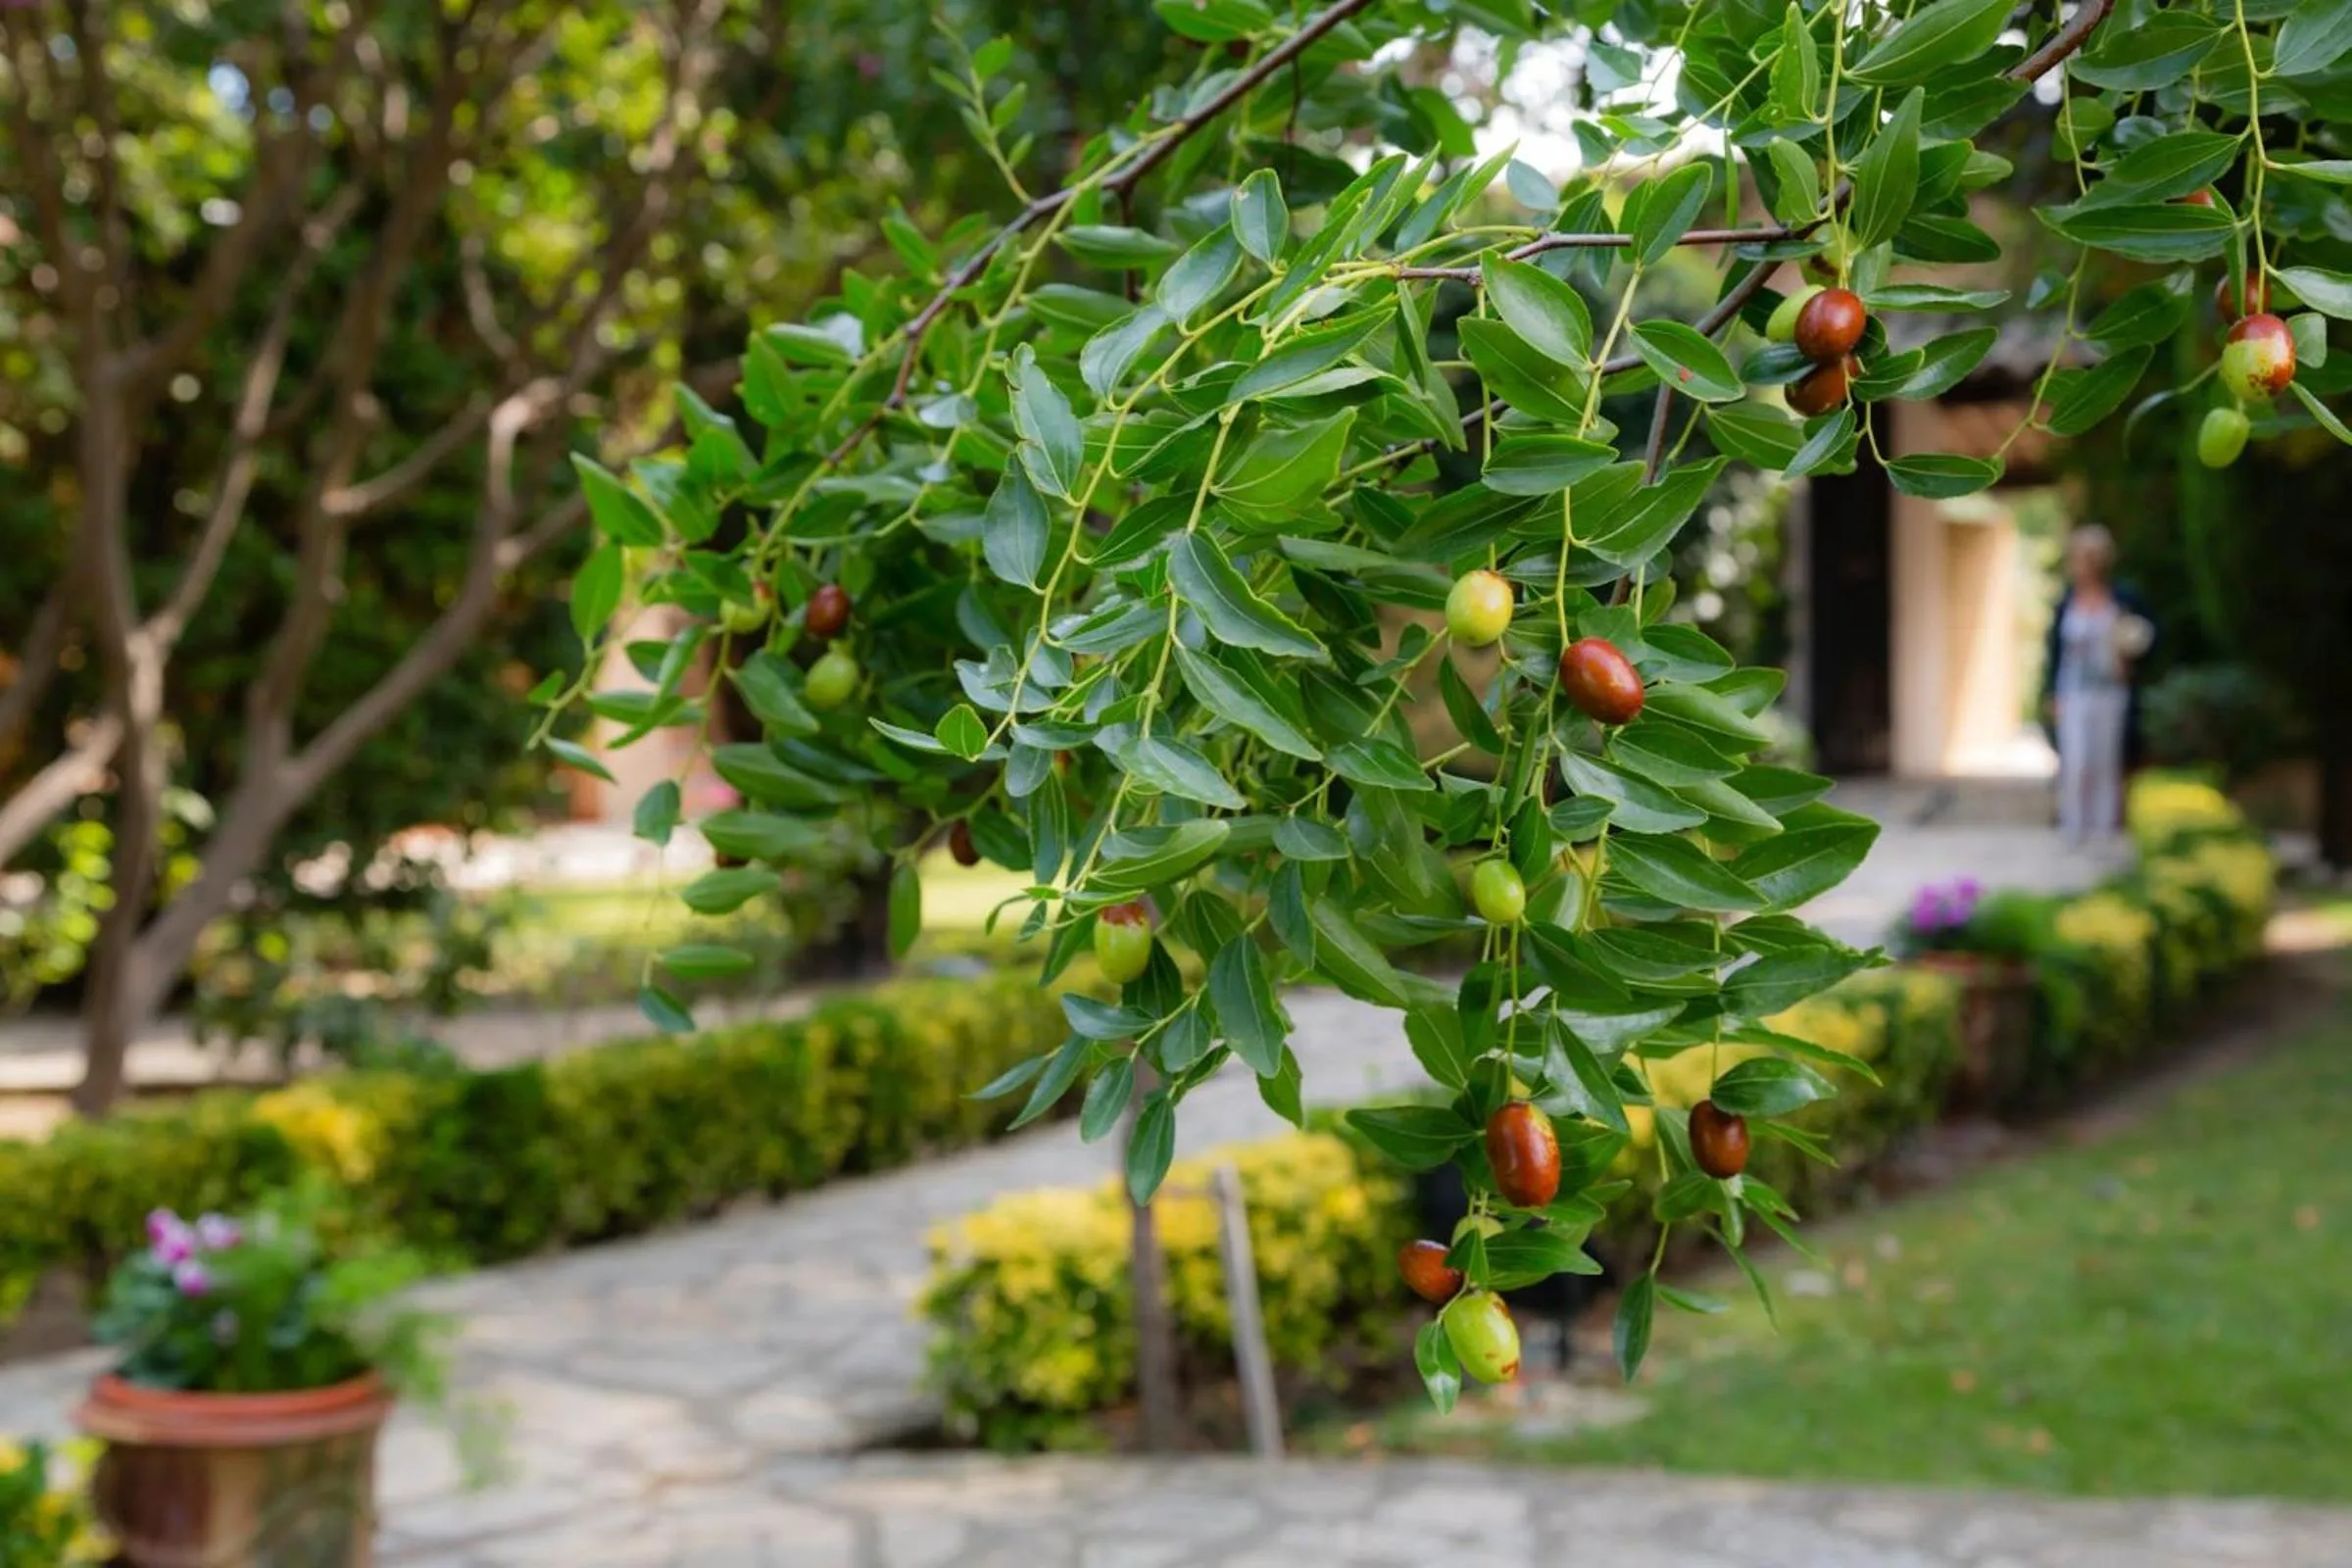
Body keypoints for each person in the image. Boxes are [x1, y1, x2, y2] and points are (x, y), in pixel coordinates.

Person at [2041, 524, 2156, 844]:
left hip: (2110, 692)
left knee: (2106, 762)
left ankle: (2104, 830)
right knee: (2075, 762)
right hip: (2073, 692)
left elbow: (2146, 637)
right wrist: (2052, 692)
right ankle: (2073, 827)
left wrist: (2130, 662)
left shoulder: (2122, 599)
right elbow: (2055, 651)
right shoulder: (2067, 601)